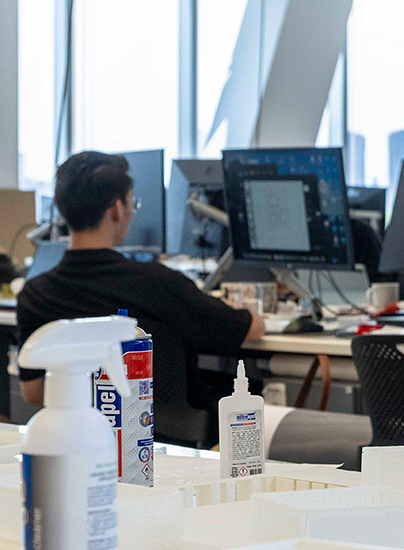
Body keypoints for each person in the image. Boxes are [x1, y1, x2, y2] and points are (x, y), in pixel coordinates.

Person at [15, 151, 263, 412]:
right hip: (158, 441)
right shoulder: (159, 282)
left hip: (82, 438)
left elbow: (32, 391)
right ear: (117, 208)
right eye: (132, 202)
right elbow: (249, 329)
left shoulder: (36, 294)